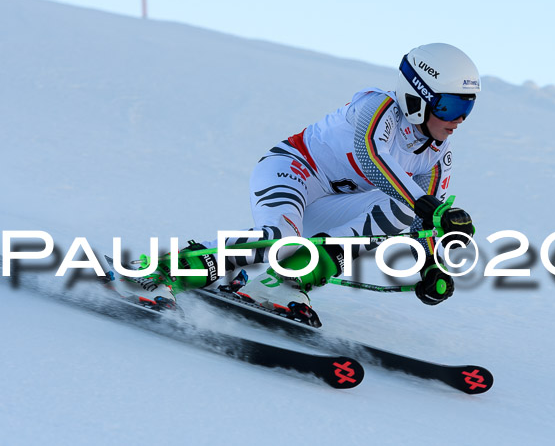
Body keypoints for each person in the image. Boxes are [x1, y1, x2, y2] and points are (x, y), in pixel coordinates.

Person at [128, 43, 479, 325]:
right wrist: (428, 206)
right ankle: (157, 271)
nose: (459, 119)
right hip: (293, 170)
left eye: (467, 107)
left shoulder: (437, 155)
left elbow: (424, 221)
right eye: (448, 106)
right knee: (279, 240)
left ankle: (285, 282)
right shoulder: (377, 106)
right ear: (416, 98)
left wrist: (433, 267)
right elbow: (370, 157)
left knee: (405, 211)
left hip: (331, 201)